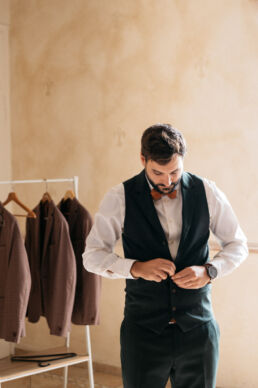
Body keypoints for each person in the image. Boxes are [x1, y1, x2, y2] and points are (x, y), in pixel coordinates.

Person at [83, 123, 248, 388]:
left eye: (175, 171)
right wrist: (135, 267)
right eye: (158, 173)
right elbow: (91, 256)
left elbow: (237, 244)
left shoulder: (207, 191)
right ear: (142, 160)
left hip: (199, 331)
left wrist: (209, 271)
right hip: (143, 333)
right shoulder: (119, 197)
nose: (167, 181)